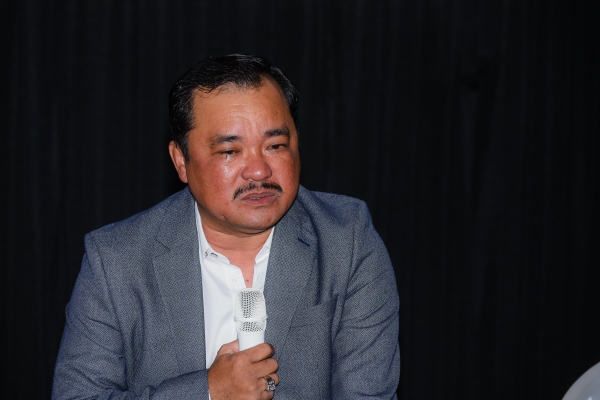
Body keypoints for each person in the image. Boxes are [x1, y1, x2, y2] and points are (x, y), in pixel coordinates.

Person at [52, 54, 400, 399]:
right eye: (231, 151)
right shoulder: (117, 260)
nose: (259, 170)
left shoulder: (346, 240)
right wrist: (209, 392)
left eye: (275, 145)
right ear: (181, 161)